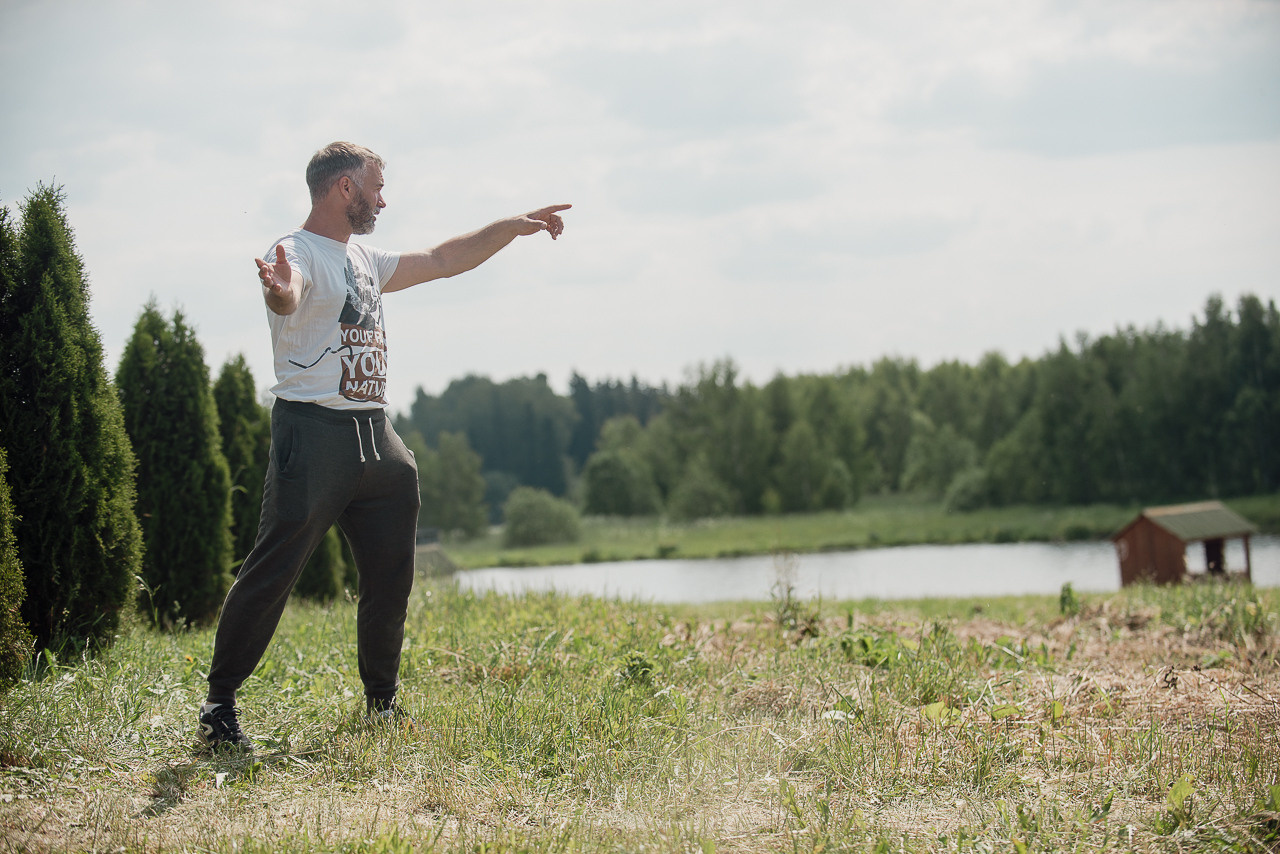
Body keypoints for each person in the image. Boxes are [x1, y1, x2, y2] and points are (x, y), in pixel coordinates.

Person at [198, 141, 569, 750]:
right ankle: (219, 707)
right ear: (345, 187)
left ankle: (381, 702)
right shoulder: (294, 253)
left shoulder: (364, 258)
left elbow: (445, 257)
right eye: (376, 185)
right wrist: (278, 290)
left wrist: (512, 226)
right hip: (314, 435)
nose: (383, 197)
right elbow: (285, 294)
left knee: (392, 572)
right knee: (274, 567)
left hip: (377, 437)